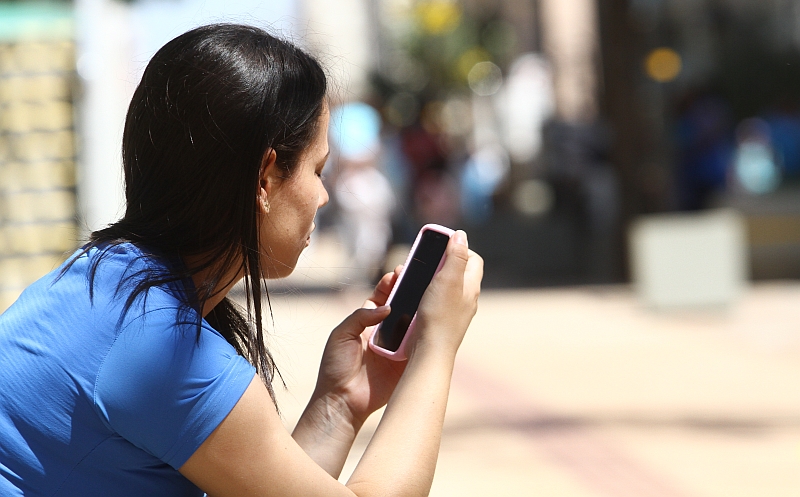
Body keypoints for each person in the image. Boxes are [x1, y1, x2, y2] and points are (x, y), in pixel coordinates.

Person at [0, 24, 482, 496]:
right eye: (317, 170)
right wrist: (436, 345)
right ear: (264, 179)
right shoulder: (160, 349)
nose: (323, 196)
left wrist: (340, 402)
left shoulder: (105, 277)